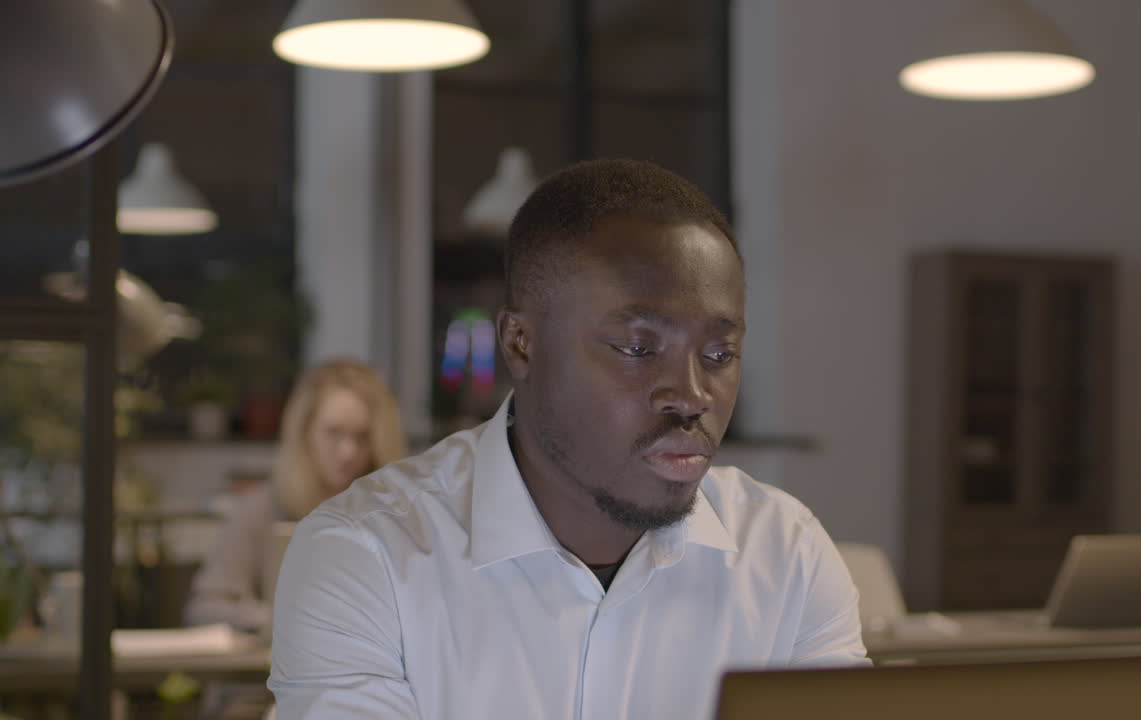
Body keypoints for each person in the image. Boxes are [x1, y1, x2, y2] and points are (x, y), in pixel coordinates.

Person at [268, 159, 868, 720]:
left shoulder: (787, 557)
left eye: (719, 354)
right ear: (521, 343)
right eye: (638, 348)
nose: (692, 396)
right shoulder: (366, 554)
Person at [185, 358, 406, 632]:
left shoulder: (393, 517)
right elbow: (204, 608)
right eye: (333, 433)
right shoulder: (261, 509)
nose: (348, 451)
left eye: (361, 437)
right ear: (305, 432)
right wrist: (280, 620)